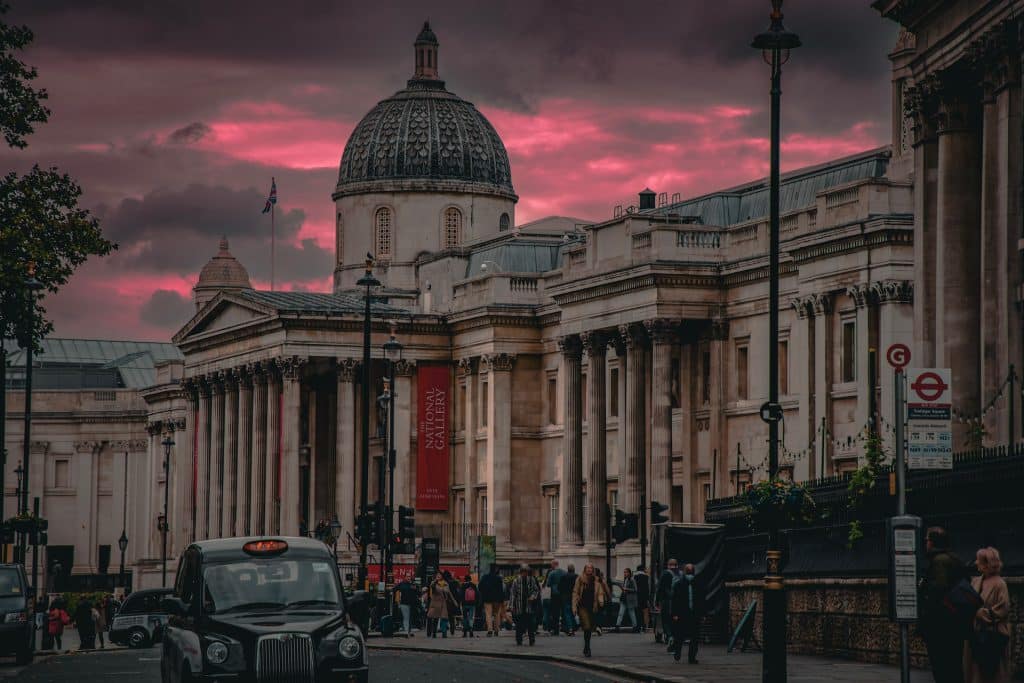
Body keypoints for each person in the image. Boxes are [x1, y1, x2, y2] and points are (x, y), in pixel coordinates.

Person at [919, 527, 967, 683]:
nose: (925, 543)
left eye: (927, 540)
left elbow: (937, 591)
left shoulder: (939, 561)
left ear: (932, 542)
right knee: (955, 667)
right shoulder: (955, 559)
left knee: (942, 668)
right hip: (956, 623)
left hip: (941, 626)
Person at [963, 547, 1010, 683]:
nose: (976, 563)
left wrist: (979, 612)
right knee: (975, 671)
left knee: (992, 672)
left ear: (987, 564)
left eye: (979, 560)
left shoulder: (1000, 584)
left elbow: (1002, 609)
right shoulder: (976, 581)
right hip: (975, 634)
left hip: (991, 636)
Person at [670, 563, 705, 664]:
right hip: (688, 613)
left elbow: (674, 600)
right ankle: (685, 654)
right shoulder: (684, 583)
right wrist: (703, 614)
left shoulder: (681, 583)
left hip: (688, 614)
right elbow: (702, 600)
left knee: (685, 636)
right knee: (687, 636)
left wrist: (674, 614)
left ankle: (686, 655)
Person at [571, 564, 607, 658]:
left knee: (590, 628)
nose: (589, 570)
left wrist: (601, 601)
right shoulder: (580, 579)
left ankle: (586, 646)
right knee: (586, 627)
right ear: (585, 569)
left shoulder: (596, 580)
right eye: (588, 568)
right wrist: (574, 607)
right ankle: (587, 647)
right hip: (582, 606)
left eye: (591, 568)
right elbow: (575, 592)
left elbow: (600, 592)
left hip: (592, 606)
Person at [508, 564, 541, 646]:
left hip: (529, 606)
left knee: (531, 625)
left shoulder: (531, 580)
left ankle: (531, 640)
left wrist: (533, 597)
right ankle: (519, 640)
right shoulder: (516, 581)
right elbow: (513, 594)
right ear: (521, 572)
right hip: (519, 606)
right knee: (519, 625)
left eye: (526, 572)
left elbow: (536, 590)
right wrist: (511, 605)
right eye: (523, 572)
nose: (525, 574)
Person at [656, 558, 683, 647]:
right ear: (677, 565)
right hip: (679, 602)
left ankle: (669, 637)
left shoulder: (665, 574)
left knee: (666, 620)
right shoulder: (681, 574)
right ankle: (676, 637)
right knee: (676, 620)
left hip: (667, 601)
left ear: (668, 565)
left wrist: (657, 602)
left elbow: (659, 588)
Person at [426, 574, 457, 638]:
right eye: (437, 576)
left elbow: (449, 593)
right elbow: (432, 586)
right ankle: (434, 633)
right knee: (435, 618)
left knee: (444, 618)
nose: (438, 577)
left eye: (439, 576)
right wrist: (435, 581)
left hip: (443, 604)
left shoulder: (446, 584)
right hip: (435, 603)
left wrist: (454, 602)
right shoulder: (434, 583)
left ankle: (444, 633)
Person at [479, 564, 505, 637]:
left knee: (488, 614)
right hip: (497, 599)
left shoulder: (485, 577)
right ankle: (496, 630)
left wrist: (484, 593)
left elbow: (480, 587)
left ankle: (490, 630)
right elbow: (501, 590)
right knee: (496, 614)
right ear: (496, 569)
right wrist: (501, 600)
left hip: (487, 599)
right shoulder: (498, 578)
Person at [545, 560, 566, 636]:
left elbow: (548, 584)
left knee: (555, 613)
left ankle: (555, 629)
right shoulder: (564, 572)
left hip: (554, 594)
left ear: (554, 565)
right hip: (563, 594)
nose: (551, 566)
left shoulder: (552, 573)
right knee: (564, 611)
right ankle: (565, 628)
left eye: (551, 565)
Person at [615, 567, 638, 632]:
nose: (625, 573)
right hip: (624, 599)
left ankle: (635, 626)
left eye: (626, 572)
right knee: (621, 613)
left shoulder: (632, 580)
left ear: (629, 573)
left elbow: (635, 589)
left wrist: (626, 589)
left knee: (631, 613)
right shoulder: (626, 579)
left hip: (629, 599)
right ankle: (617, 626)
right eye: (624, 572)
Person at [558, 564, 578, 635]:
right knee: (573, 612)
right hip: (574, 596)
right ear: (574, 569)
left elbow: (559, 587)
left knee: (567, 612)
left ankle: (570, 628)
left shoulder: (563, 577)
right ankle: (573, 626)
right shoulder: (577, 577)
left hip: (565, 596)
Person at [634, 565, 652, 632]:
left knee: (638, 612)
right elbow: (648, 587)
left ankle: (638, 626)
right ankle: (645, 627)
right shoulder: (646, 577)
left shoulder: (634, 577)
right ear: (643, 569)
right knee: (645, 611)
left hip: (637, 596)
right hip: (644, 596)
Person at [444, 571, 461, 635]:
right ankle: (452, 628)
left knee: (445, 616)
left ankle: (445, 630)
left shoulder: (445, 583)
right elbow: (459, 593)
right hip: (454, 602)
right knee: (452, 616)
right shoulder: (456, 582)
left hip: (446, 601)